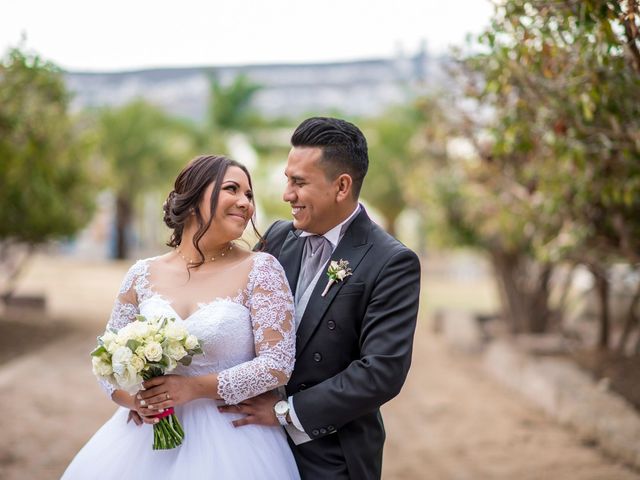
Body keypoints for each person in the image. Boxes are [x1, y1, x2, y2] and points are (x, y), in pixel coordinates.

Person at [62, 155, 300, 479]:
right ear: (192, 198)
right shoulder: (141, 274)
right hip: (143, 443)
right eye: (232, 189)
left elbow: (278, 363)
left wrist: (195, 388)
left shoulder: (262, 269)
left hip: (234, 443)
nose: (245, 203)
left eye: (249, 195)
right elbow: (106, 361)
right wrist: (135, 402)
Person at [219, 117, 422, 479]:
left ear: (342, 186)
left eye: (299, 182)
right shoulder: (279, 237)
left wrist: (286, 412)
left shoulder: (391, 261)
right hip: (251, 443)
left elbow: (382, 371)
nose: (286, 194)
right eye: (287, 179)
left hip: (330, 455)